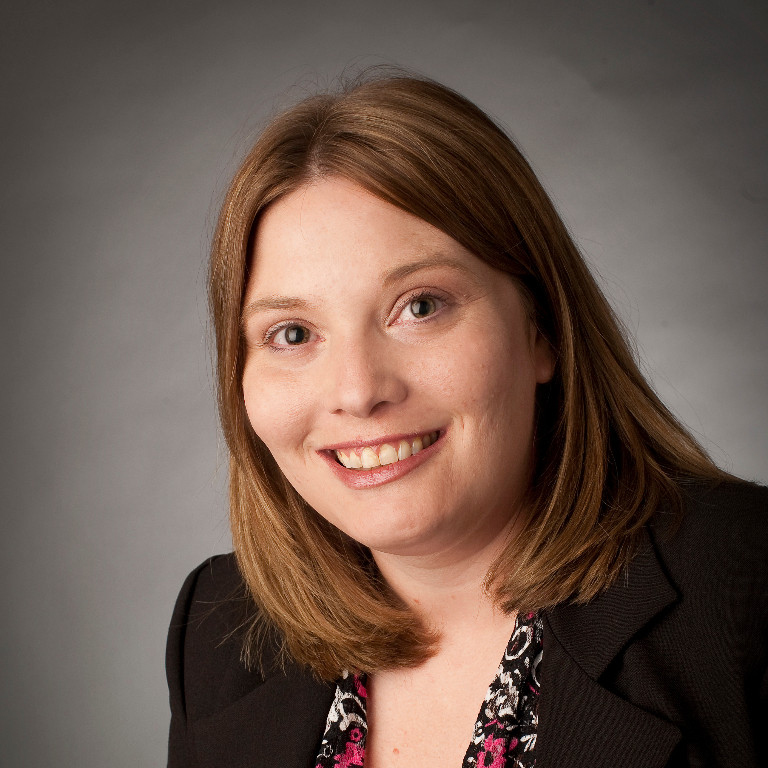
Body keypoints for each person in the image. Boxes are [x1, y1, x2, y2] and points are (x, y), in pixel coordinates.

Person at [166, 73, 767, 768]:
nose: (358, 392)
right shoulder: (221, 631)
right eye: (293, 334)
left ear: (541, 329)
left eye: (420, 306)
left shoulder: (744, 592)